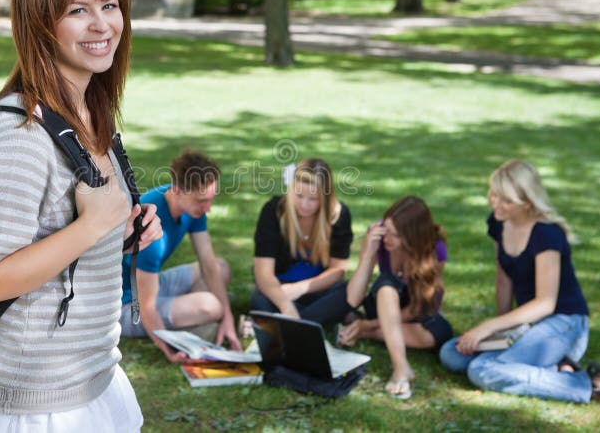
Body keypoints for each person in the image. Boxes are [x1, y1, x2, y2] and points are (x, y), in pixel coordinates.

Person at [0, 0, 163, 431]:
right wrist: (92, 227)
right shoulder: (19, 133)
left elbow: (65, 245)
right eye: (78, 10)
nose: (102, 25)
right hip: (34, 402)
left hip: (93, 378)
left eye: (110, 5)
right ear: (39, 23)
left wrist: (122, 232)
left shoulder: (90, 115)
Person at [439, 160, 600, 405]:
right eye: (493, 194)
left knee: (482, 370)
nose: (495, 203)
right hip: (528, 321)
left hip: (564, 323)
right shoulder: (498, 221)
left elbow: (545, 304)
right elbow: (503, 275)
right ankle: (558, 365)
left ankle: (590, 386)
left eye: (505, 200)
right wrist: (498, 330)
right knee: (452, 354)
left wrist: (487, 325)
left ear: (526, 202)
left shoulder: (547, 235)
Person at [119, 150, 242, 362]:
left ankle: (198, 317)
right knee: (211, 305)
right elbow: (146, 306)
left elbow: (208, 264)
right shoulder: (150, 225)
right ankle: (198, 321)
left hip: (151, 284)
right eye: (202, 201)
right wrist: (171, 351)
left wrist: (228, 319)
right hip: (126, 305)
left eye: (211, 200)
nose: (208, 208)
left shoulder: (192, 209)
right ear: (177, 190)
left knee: (222, 267)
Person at [337, 195, 452, 399]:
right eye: (386, 230)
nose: (388, 239)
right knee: (386, 284)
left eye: (396, 235)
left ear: (414, 235)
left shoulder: (435, 248)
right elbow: (354, 299)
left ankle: (365, 330)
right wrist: (367, 254)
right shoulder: (378, 237)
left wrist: (369, 326)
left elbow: (423, 304)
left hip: (415, 307)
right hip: (384, 301)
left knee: (438, 334)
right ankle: (400, 367)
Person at [250, 158, 353, 325]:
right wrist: (285, 305)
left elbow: (338, 271)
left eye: (313, 199)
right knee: (260, 301)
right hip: (279, 288)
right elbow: (263, 274)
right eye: (299, 196)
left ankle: (286, 323)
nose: (304, 205)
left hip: (318, 288)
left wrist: (298, 289)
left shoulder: (338, 216)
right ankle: (308, 320)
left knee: (349, 291)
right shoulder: (273, 211)